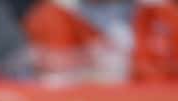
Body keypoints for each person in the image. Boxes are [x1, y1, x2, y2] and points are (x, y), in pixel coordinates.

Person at [23, 0, 178, 82]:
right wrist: (83, 60)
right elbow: (46, 81)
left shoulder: (164, 13)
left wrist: (134, 67)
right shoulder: (52, 14)